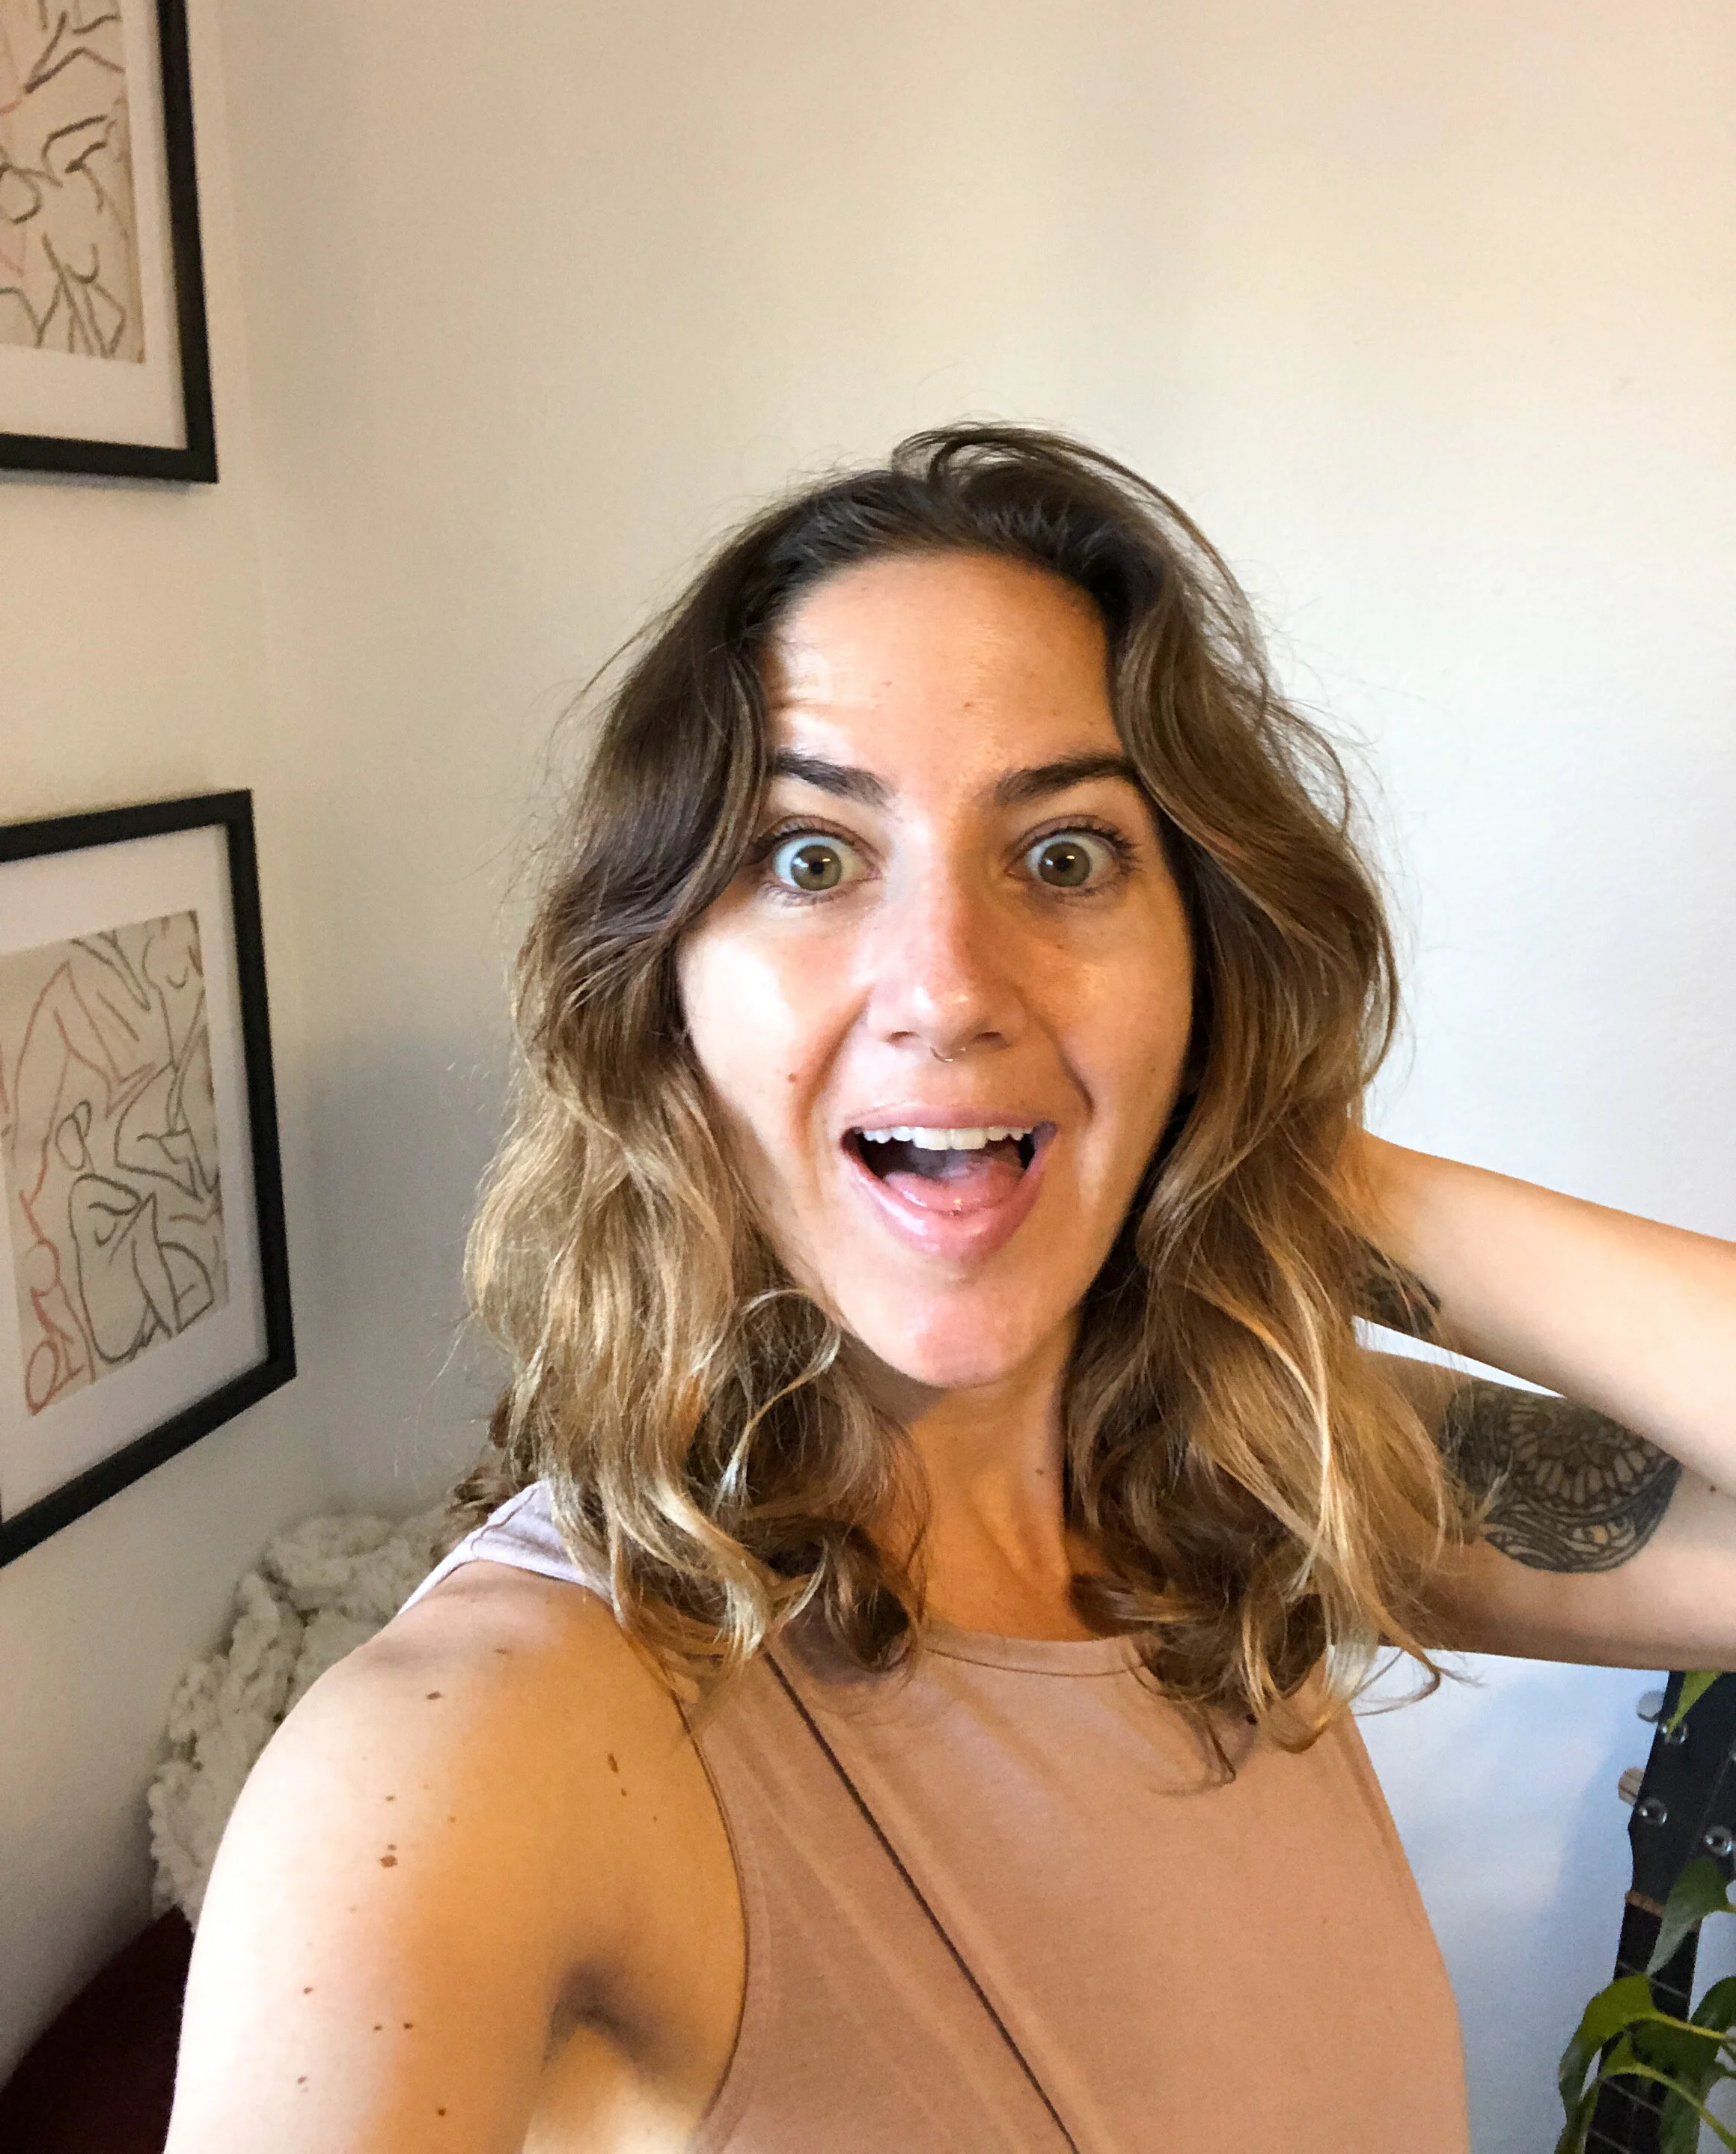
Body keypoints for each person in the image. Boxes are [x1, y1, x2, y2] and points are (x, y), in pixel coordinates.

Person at [167, 427, 1736, 2153]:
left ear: (1201, 956)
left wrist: (1286, 1147)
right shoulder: (462, 1753)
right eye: (809, 857)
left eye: (1063, 856)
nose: (946, 984)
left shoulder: (1242, 1477)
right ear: (666, 993)